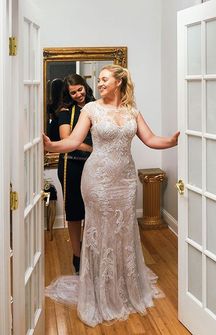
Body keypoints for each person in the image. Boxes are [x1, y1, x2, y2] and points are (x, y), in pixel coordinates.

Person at [44, 64, 180, 327]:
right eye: (99, 79)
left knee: (123, 231)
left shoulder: (132, 111)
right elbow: (73, 141)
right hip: (98, 180)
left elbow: (151, 139)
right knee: (101, 230)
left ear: (119, 82)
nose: (100, 83)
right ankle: (98, 289)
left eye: (104, 79)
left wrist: (174, 141)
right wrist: (52, 146)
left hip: (125, 180)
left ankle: (123, 284)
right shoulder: (91, 110)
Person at [57, 74, 95, 273]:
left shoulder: (97, 107)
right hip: (70, 167)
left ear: (85, 87)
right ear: (68, 94)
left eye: (80, 90)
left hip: (95, 166)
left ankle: (91, 251)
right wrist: (90, 148)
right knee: (74, 212)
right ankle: (77, 255)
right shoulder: (65, 112)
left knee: (92, 210)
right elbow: (66, 140)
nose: (78, 94)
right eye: (73, 92)